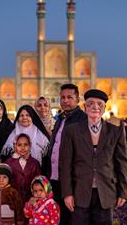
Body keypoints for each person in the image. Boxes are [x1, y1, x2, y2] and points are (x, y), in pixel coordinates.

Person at [59, 89, 127, 225]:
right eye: (90, 103)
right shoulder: (72, 131)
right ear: (85, 107)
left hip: (105, 192)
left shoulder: (115, 131)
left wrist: (123, 192)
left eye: (99, 104)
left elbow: (122, 163)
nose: (95, 107)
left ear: (104, 108)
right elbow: (65, 164)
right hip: (80, 192)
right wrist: (67, 193)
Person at [41, 83, 87, 225]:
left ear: (78, 99)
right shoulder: (60, 119)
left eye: (69, 97)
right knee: (58, 218)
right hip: (56, 179)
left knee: (72, 218)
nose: (65, 100)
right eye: (62, 97)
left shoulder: (83, 120)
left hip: (72, 182)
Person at [5, 133, 41, 204]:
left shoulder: (35, 163)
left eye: (25, 145)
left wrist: (35, 197)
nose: (22, 148)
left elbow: (38, 182)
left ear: (30, 146)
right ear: (15, 146)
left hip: (30, 201)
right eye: (19, 145)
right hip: (12, 200)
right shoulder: (9, 162)